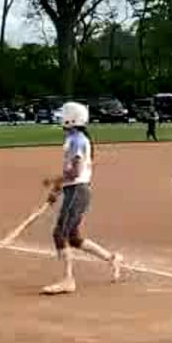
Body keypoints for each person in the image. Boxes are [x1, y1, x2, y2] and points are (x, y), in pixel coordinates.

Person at [41, 101, 124, 295]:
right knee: (73, 237)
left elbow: (75, 172)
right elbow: (71, 173)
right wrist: (57, 189)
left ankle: (68, 280)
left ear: (71, 119)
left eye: (64, 114)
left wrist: (54, 181)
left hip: (77, 191)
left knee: (59, 234)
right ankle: (111, 258)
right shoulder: (75, 138)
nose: (61, 117)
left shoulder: (77, 140)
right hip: (76, 191)